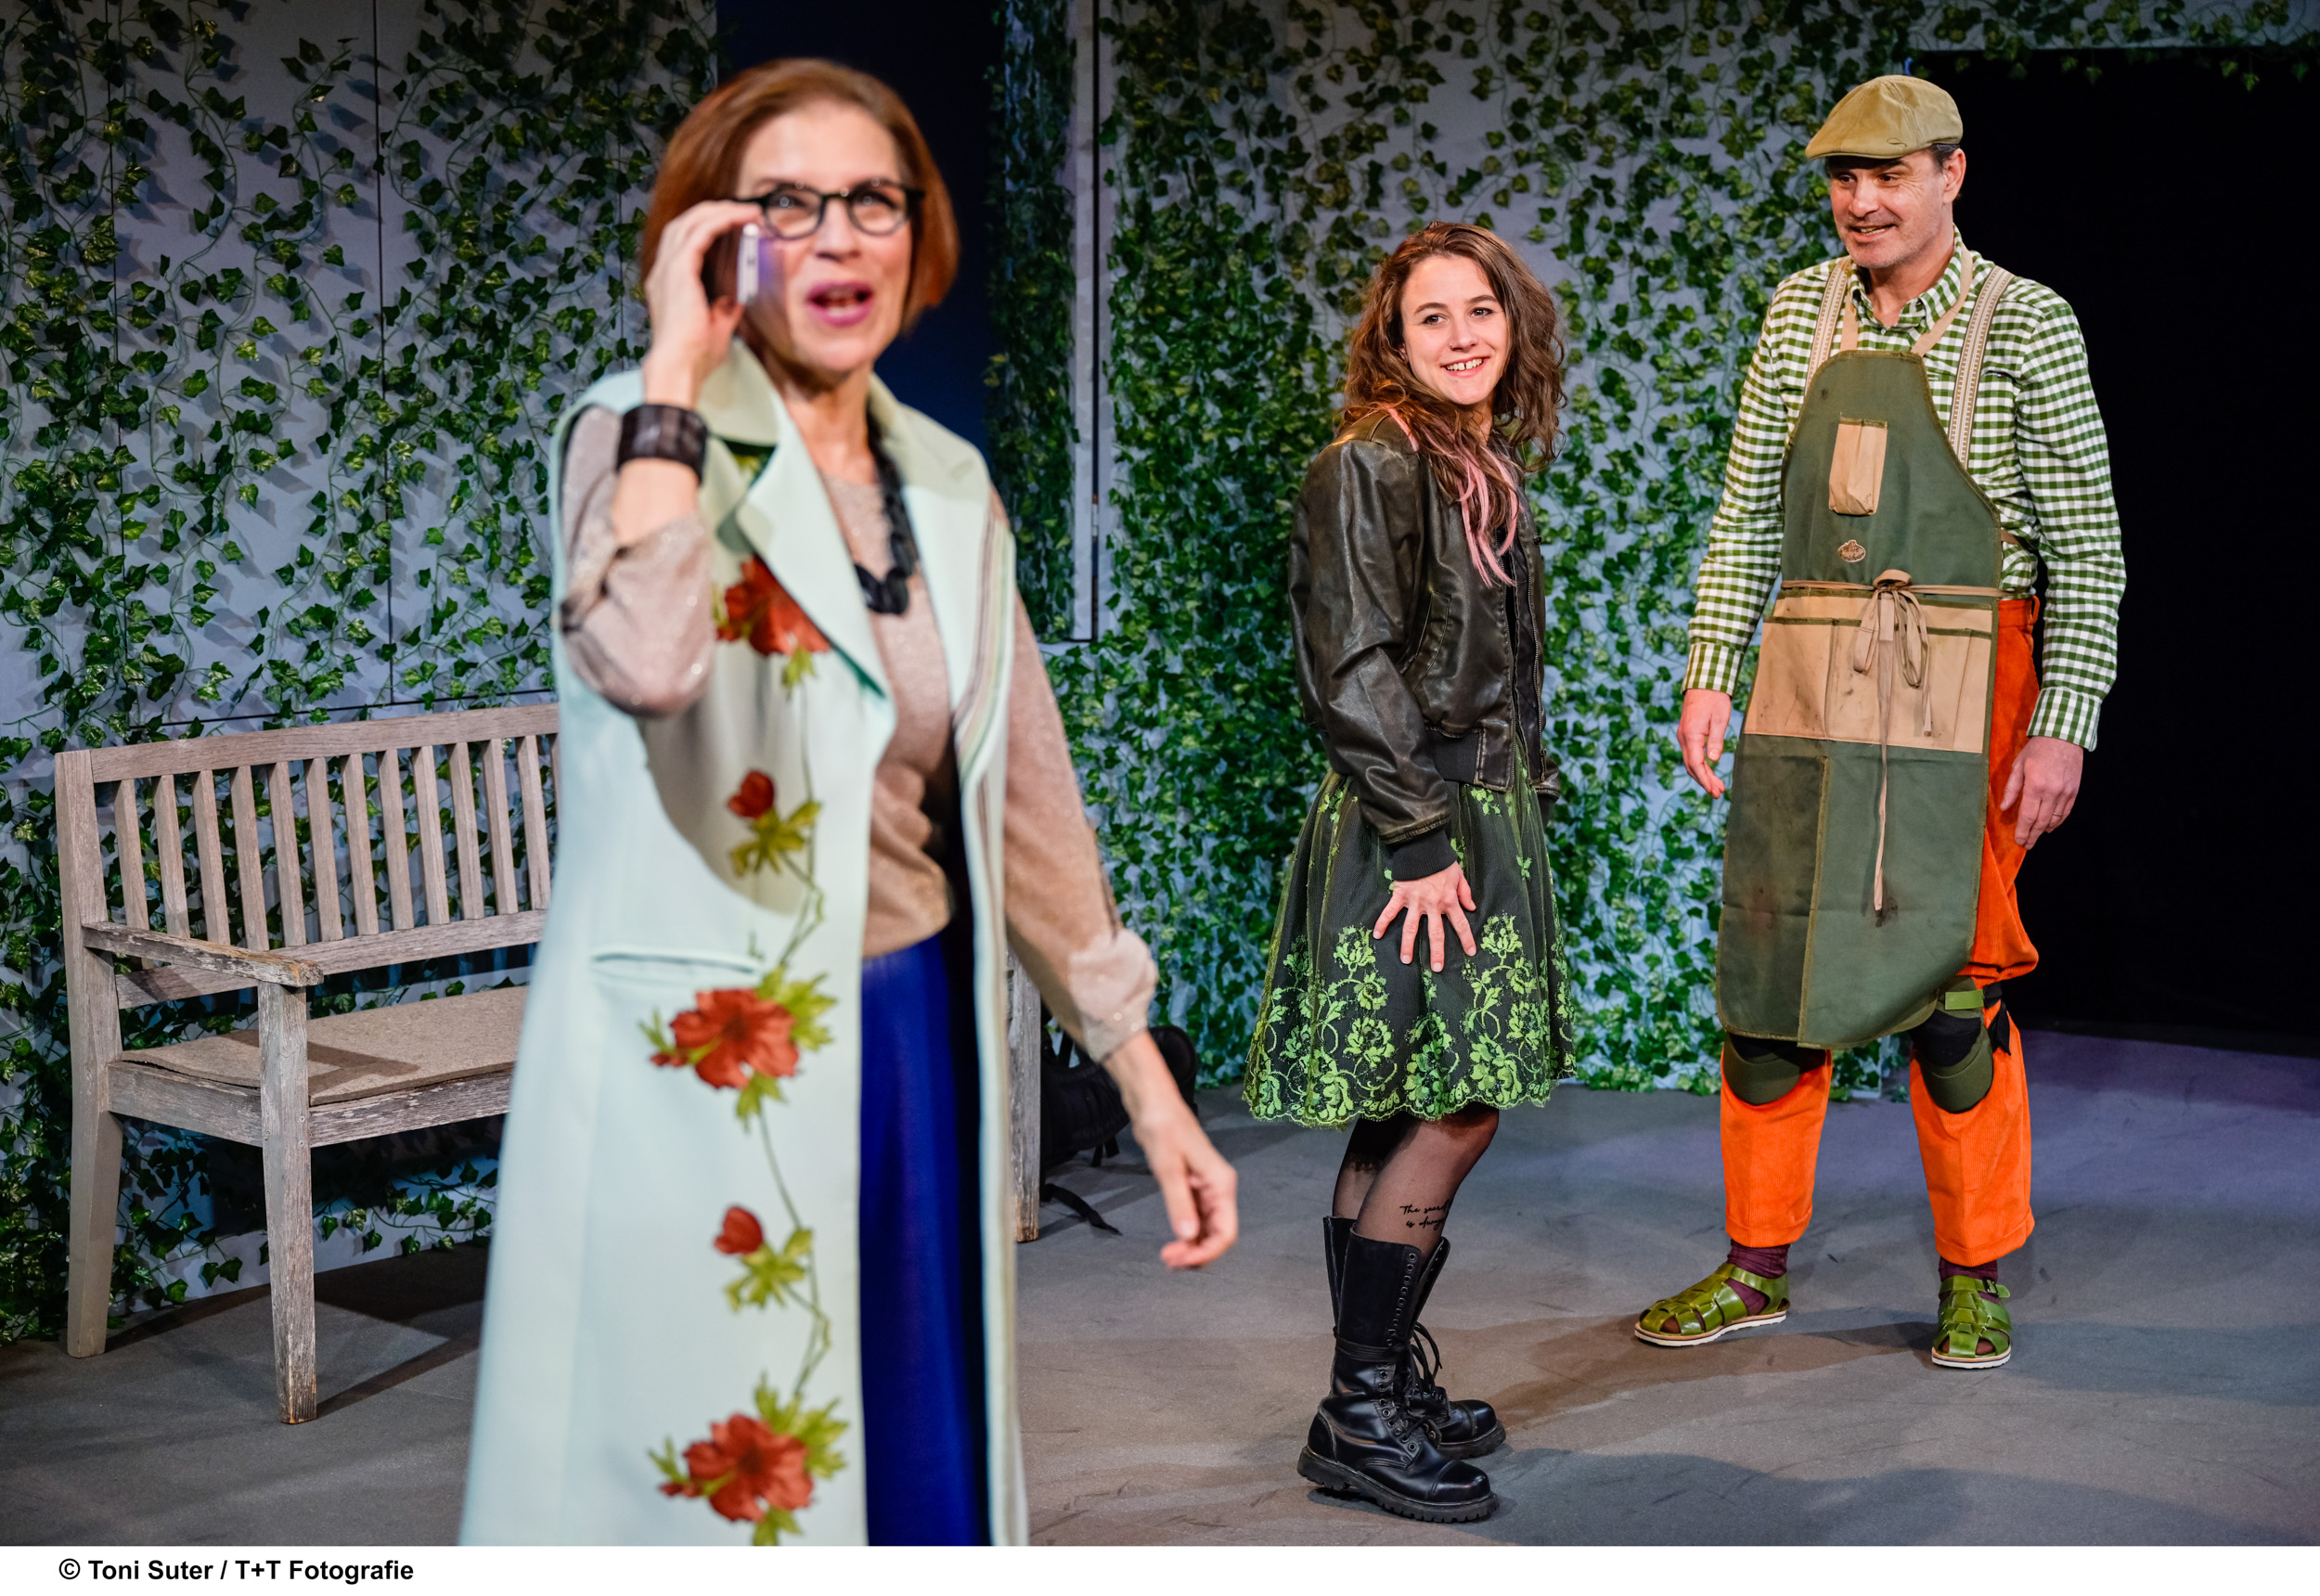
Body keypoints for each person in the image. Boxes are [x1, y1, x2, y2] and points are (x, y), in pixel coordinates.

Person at [461, 59, 1237, 1547]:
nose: (836, 237)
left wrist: (1144, 1082)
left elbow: (1027, 802)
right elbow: (648, 664)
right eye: (787, 204)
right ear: (714, 237)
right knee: (732, 1493)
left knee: (907, 1470)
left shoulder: (944, 484)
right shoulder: (635, 432)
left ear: (917, 230)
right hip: (713, 1066)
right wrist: (675, 374)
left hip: (907, 1031)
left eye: (872, 199)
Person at [1639, 75, 2124, 1369]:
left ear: (1950, 175)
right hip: (1807, 664)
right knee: (1772, 978)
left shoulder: (2026, 321)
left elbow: (2089, 549)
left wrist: (2064, 723)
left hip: (1966, 668)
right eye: (1845, 178)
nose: (1863, 201)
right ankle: (1755, 1266)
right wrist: (1711, 670)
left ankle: (1974, 1274)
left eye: (1889, 175)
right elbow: (1750, 508)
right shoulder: (1798, 309)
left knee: (1955, 991)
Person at [1244, 222, 1578, 1524]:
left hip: (1468, 806)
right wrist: (1423, 840)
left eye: (1479, 309)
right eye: (1430, 316)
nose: (1461, 335)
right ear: (1393, 338)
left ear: (1513, 321)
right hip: (1418, 822)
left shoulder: (1471, 461)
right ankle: (1361, 1408)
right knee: (1461, 1103)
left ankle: (1373, 1394)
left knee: (1402, 1101)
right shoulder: (1370, 461)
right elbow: (1352, 664)